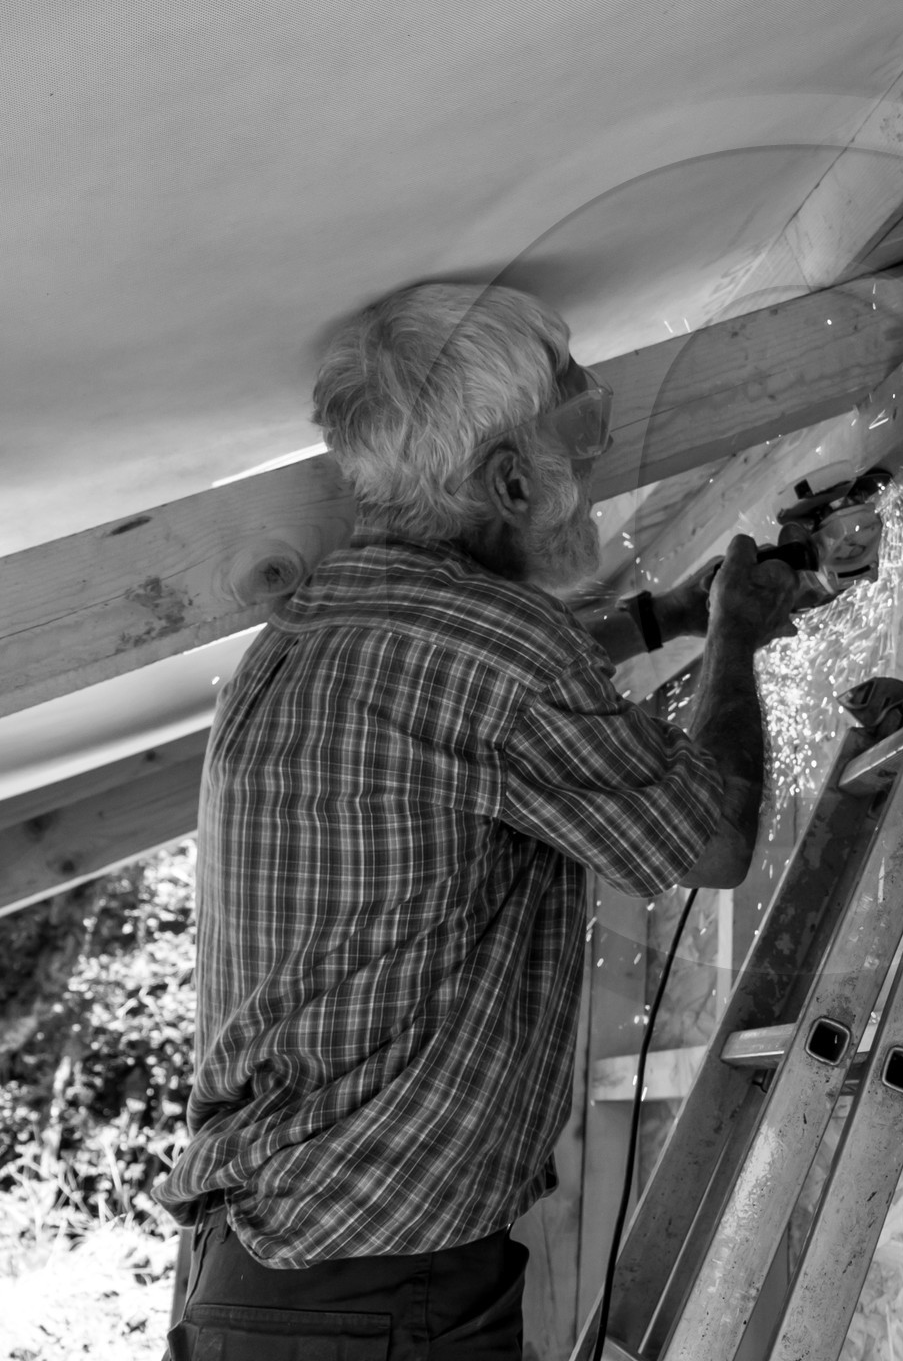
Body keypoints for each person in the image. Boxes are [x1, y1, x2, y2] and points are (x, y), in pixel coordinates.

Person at [157, 280, 799, 1360]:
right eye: (580, 427)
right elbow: (716, 840)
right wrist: (737, 634)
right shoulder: (496, 648)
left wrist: (667, 618)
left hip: (278, 1285)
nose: (595, 459)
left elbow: (479, 705)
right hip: (374, 1298)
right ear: (509, 479)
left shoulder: (305, 631)